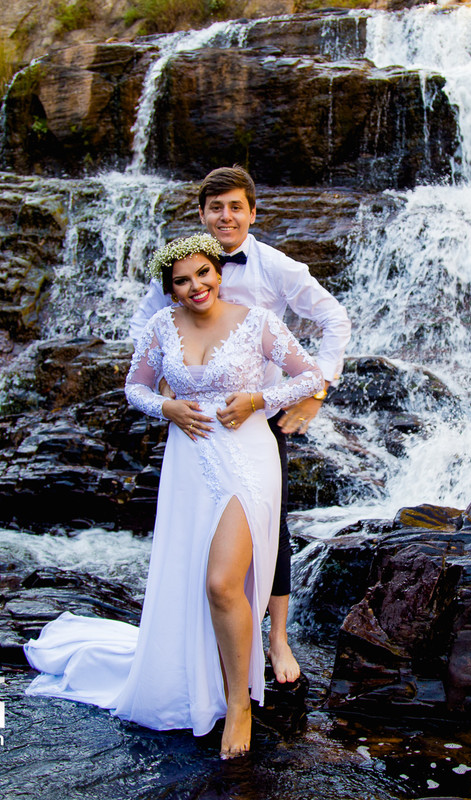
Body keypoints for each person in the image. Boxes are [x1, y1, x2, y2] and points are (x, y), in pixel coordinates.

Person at [25, 233, 323, 758]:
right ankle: (200, 677)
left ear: (218, 272)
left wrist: (259, 398)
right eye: (182, 281)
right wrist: (168, 409)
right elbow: (134, 387)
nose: (196, 286)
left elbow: (311, 376)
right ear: (171, 289)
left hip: (248, 458)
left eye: (203, 274)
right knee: (196, 576)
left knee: (221, 582)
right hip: (190, 462)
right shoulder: (163, 326)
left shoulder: (257, 322)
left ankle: (238, 704)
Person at [128, 166, 351, 686]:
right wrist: (165, 390)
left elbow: (334, 320)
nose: (225, 217)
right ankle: (200, 639)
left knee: (271, 527)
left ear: (252, 212)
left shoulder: (277, 267)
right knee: (196, 525)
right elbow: (146, 326)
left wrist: (317, 393)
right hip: (197, 423)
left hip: (260, 416)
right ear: (202, 215)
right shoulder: (186, 268)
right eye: (215, 208)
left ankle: (276, 641)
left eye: (235, 207)